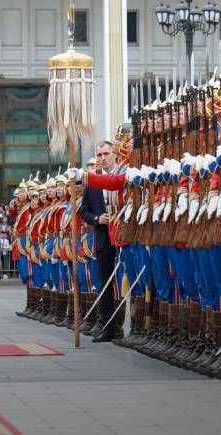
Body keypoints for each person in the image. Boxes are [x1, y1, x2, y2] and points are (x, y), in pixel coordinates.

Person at [80, 141, 120, 342]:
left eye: (106, 153)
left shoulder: (124, 174)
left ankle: (129, 325)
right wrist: (97, 218)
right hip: (103, 235)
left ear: (114, 153)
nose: (103, 158)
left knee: (125, 281)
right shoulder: (92, 181)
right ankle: (108, 326)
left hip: (123, 233)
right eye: (99, 155)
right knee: (105, 282)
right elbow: (83, 212)